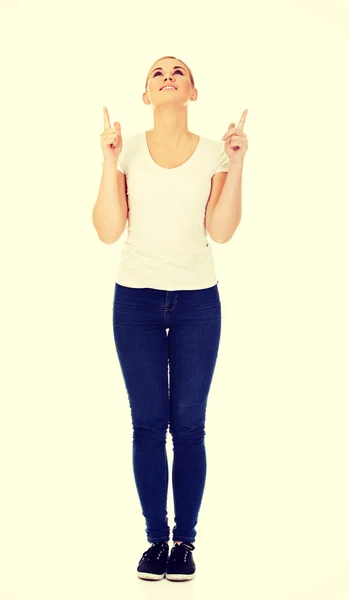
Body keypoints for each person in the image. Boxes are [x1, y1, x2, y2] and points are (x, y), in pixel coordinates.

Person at [92, 55, 247, 582]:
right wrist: (107, 160)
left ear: (193, 92)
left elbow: (221, 232)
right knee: (146, 425)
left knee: (189, 427)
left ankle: (186, 543)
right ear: (146, 95)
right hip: (134, 299)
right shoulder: (126, 150)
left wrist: (238, 162)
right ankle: (156, 541)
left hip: (197, 302)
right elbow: (109, 231)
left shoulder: (213, 156)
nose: (166, 77)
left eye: (177, 71)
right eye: (157, 73)